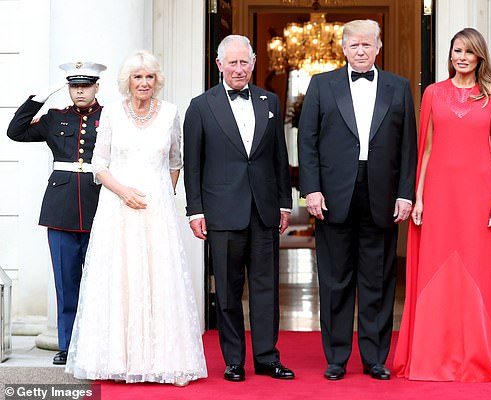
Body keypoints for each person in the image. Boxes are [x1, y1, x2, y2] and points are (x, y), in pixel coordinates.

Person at [65, 51, 207, 386]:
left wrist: (162, 194)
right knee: (121, 279)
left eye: (149, 77)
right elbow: (99, 165)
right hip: (118, 208)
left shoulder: (171, 113)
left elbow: (175, 162)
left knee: (159, 280)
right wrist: (124, 191)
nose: (144, 83)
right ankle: (116, 359)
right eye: (137, 77)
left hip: (156, 212)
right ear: (126, 81)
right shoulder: (112, 113)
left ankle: (166, 363)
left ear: (157, 80)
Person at [392, 28, 491, 382]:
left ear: (480, 57)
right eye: (456, 51)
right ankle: (433, 355)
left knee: (477, 270)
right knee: (437, 268)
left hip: (480, 196)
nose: (461, 57)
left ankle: (478, 354)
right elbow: (427, 148)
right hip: (438, 194)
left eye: (468, 52)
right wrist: (418, 197)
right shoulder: (433, 93)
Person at [298, 19, 417, 381]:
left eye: (367, 45)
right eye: (354, 45)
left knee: (378, 279)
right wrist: (312, 189)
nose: (361, 51)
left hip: (382, 195)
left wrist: (405, 193)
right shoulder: (321, 85)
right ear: (343, 48)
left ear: (378, 48)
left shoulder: (398, 87)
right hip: (333, 195)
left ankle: (374, 358)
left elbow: (408, 146)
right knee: (335, 279)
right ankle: (336, 357)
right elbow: (308, 141)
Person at [183, 35, 294, 382]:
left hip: (263, 211)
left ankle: (266, 357)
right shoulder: (200, 106)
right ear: (219, 65)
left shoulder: (269, 101)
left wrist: (284, 203)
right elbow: (193, 164)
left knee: (266, 289)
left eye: (244, 62)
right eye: (232, 62)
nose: (238, 68)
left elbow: (279, 157)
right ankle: (234, 360)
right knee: (228, 292)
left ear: (253, 63)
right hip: (221, 212)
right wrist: (195, 210)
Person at [7, 61, 106, 365]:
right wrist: (40, 97)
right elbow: (16, 131)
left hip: (101, 206)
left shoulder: (111, 118)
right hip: (61, 209)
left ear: (96, 87)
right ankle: (67, 344)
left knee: (101, 282)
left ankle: (97, 344)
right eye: (74, 85)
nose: (79, 90)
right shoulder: (54, 118)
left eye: (85, 85)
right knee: (66, 282)